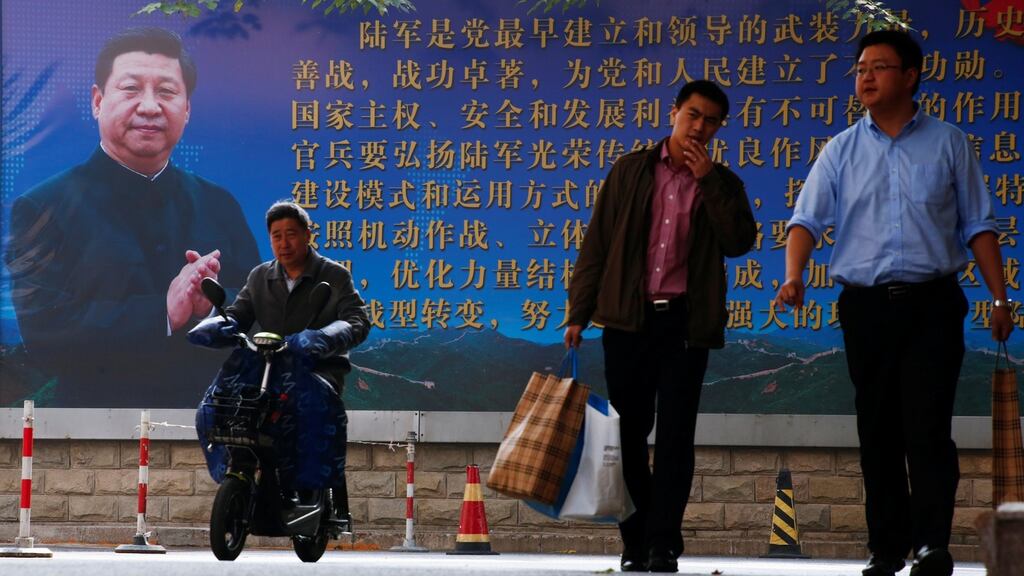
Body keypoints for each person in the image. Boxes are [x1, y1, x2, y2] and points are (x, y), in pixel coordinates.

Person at [773, 29, 1014, 576]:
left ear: (910, 76)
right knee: (877, 429)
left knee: (928, 428)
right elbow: (805, 220)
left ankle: (931, 545)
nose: (865, 76)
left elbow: (979, 225)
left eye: (879, 66)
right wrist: (794, 276)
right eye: (860, 67)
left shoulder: (949, 143)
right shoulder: (840, 150)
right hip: (867, 309)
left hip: (933, 305)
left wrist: (1000, 298)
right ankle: (885, 548)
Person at [3, 27, 259, 407]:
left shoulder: (220, 204)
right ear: (97, 101)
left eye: (167, 92)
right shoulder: (43, 208)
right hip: (94, 434)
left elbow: (261, 312)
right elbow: (45, 336)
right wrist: (165, 312)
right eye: (131, 89)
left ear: (186, 109)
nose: (150, 106)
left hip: (211, 429)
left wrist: (212, 305)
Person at [564, 80, 756, 573]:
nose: (699, 127)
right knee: (628, 435)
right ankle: (635, 540)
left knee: (675, 437)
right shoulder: (630, 171)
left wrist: (709, 180)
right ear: (673, 113)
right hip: (628, 323)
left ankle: (663, 543)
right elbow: (597, 247)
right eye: (693, 114)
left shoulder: (724, 183)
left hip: (685, 327)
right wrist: (578, 314)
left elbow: (739, 242)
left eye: (711, 120)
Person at [190, 200, 370, 511]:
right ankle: (234, 474)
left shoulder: (334, 275)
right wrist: (216, 326)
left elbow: (357, 320)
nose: (284, 243)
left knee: (312, 417)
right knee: (213, 408)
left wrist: (321, 337)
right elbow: (238, 314)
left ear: (307, 235)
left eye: (291, 234)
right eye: (276, 236)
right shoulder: (260, 277)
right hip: (265, 369)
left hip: (315, 368)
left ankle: (313, 490)